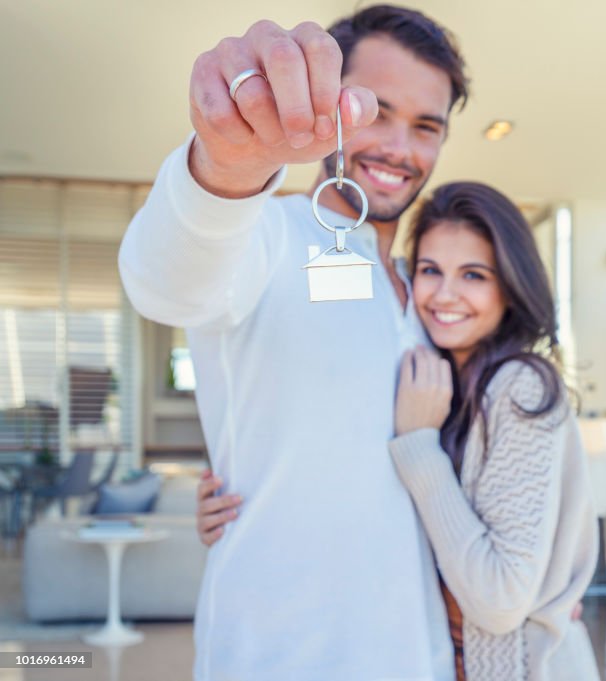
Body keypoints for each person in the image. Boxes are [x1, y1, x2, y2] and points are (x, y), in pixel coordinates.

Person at [119, 6, 470, 680]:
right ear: (329, 105)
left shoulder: (430, 292)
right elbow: (167, 284)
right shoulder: (267, 234)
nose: (400, 147)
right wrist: (225, 167)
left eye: (426, 127)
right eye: (374, 111)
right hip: (279, 654)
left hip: (415, 652)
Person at [204, 181, 602, 680]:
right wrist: (240, 489)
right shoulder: (438, 376)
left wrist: (419, 447)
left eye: (474, 275)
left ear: (511, 286)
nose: (445, 295)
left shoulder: (518, 386)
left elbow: (499, 601)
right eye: (430, 270)